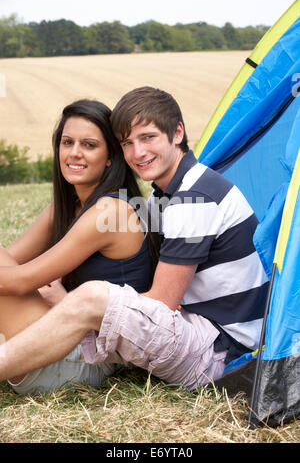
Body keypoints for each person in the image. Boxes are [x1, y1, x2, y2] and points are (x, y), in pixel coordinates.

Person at [0, 87, 269, 391]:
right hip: (197, 329)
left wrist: (71, 308)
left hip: (221, 351)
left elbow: (161, 302)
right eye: (128, 142)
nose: (137, 153)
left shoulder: (196, 199)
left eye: (148, 138)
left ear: (177, 133)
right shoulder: (161, 198)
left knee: (92, 296)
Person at [0, 98, 158, 395]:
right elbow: (12, 260)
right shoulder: (69, 207)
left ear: (111, 156)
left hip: (83, 360)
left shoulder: (110, 211)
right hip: (57, 335)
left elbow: (20, 281)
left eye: (88, 145)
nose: (74, 153)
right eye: (67, 142)